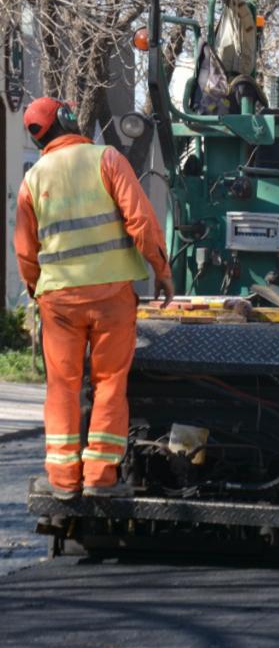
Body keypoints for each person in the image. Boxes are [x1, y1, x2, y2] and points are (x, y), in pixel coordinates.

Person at [14, 97, 174, 500]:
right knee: (109, 384)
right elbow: (140, 220)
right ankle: (102, 479)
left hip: (59, 301)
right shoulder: (107, 159)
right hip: (111, 297)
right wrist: (161, 270)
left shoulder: (32, 179)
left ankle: (64, 482)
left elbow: (25, 251)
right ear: (68, 119)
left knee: (62, 387)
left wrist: (37, 289)